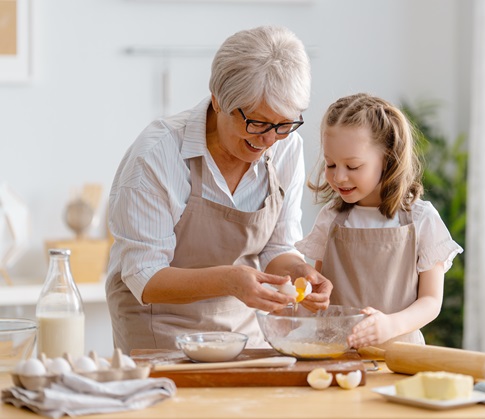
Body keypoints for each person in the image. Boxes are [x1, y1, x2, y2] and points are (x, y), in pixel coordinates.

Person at [105, 25, 332, 354]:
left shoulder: (286, 147)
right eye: (256, 122)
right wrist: (230, 280)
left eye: (283, 124)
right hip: (158, 328)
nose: (269, 140)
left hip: (243, 330)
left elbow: (277, 246)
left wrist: (300, 273)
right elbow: (144, 275)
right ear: (218, 100)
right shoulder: (158, 155)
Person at [295, 93, 463, 350]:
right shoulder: (330, 218)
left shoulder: (421, 220)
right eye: (330, 164)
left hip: (400, 355)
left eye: (352, 167)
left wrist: (390, 325)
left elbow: (431, 301)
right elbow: (321, 289)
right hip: (335, 353)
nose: (339, 177)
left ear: (387, 159)